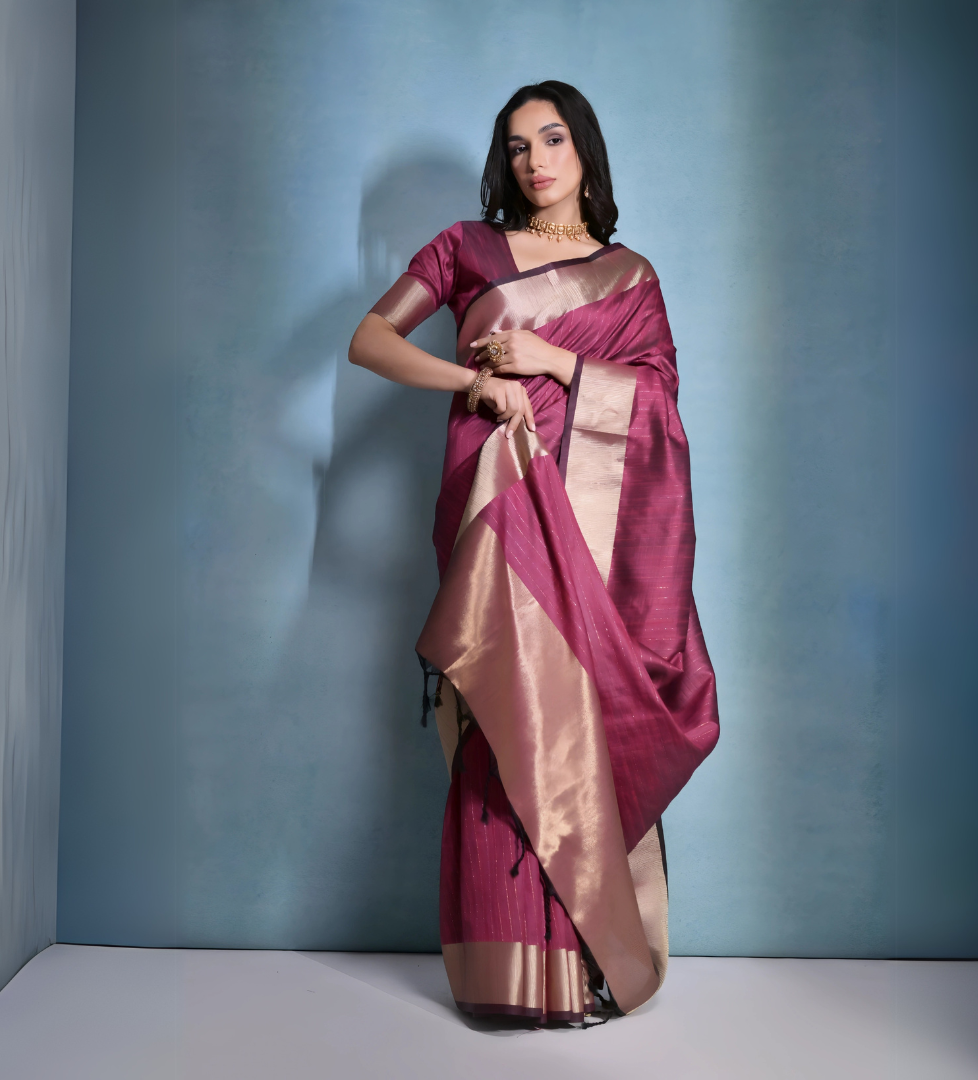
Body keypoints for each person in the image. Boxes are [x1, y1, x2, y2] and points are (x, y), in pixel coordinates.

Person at [348, 80, 719, 1024]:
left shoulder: (630, 277)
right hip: (493, 505)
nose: (536, 161)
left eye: (552, 139)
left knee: (575, 727)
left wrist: (557, 365)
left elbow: (661, 412)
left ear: (584, 149)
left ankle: (587, 965)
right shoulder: (465, 249)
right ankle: (506, 979)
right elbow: (369, 341)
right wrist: (469, 385)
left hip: (589, 530)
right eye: (516, 147)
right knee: (508, 721)